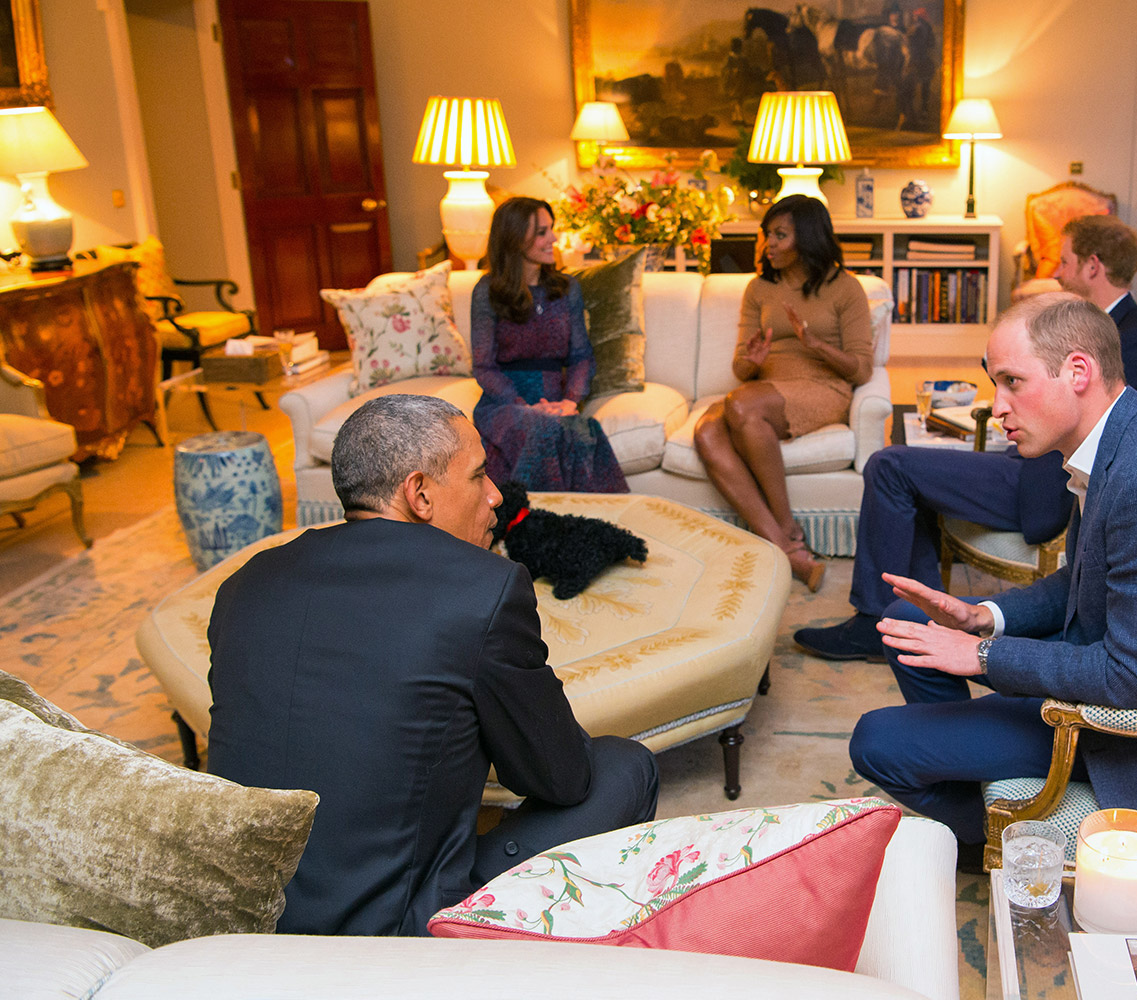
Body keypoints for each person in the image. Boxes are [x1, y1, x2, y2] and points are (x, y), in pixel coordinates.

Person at [206, 394, 659, 936]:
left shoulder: (245, 584)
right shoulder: (483, 590)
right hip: (392, 938)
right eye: (479, 475)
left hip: (245, 923)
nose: (495, 495)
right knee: (624, 766)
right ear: (419, 493)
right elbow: (560, 778)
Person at [847, 294, 1137, 856]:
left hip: (1133, 727)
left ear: (1077, 371)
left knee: (875, 741)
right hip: (1104, 655)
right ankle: (978, 767)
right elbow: (1083, 582)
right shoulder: (1118, 440)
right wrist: (983, 616)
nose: (998, 407)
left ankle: (1000, 843)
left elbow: (1134, 681)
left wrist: (981, 656)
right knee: (903, 623)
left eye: (1012, 382)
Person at [794, 213, 1137, 662]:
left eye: (1065, 261)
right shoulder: (1085, 321)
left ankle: (876, 623)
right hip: (1027, 461)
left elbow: (1111, 441)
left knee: (890, 464)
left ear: (1093, 266)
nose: (1057, 272)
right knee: (907, 463)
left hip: (1047, 481)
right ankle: (917, 620)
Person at [693, 194, 874, 592]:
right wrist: (752, 360)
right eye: (766, 234)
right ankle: (786, 547)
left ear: (807, 237)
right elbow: (741, 368)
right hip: (763, 390)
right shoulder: (759, 288)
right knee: (706, 431)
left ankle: (788, 529)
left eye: (779, 234)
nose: (767, 244)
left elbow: (861, 369)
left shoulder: (846, 289)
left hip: (822, 387)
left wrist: (816, 345)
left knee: (740, 404)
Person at [471, 196, 627, 493]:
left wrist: (570, 401)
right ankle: (533, 522)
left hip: (556, 402)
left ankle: (591, 524)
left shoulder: (566, 288)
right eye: (542, 232)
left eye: (551, 229)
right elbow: (483, 366)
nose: (553, 238)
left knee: (582, 432)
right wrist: (524, 406)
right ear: (516, 239)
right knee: (541, 429)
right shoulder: (487, 291)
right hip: (505, 404)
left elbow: (582, 356)